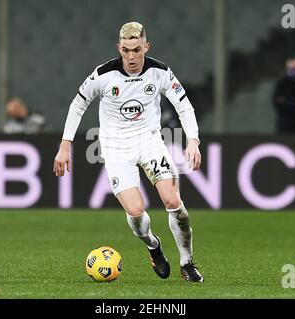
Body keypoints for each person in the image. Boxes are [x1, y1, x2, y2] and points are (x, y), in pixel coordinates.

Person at [53, 22, 204, 282]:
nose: (131, 57)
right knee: (135, 211)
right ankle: (153, 247)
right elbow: (78, 105)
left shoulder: (160, 72)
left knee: (172, 202)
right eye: (126, 50)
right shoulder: (103, 74)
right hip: (116, 148)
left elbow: (184, 106)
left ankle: (187, 263)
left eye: (136, 50)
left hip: (150, 143)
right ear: (119, 48)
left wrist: (193, 140)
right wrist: (64, 146)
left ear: (146, 46)